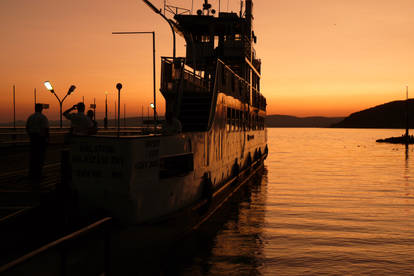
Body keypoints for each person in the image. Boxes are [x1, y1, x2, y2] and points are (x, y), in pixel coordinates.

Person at [26, 103, 49, 187]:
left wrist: (31, 135)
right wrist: (47, 139)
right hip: (40, 138)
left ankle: (31, 173)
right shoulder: (43, 117)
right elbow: (46, 129)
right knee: (40, 156)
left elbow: (27, 127)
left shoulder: (30, 117)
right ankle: (39, 174)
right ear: (41, 109)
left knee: (33, 156)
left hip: (33, 138)